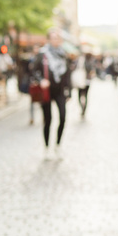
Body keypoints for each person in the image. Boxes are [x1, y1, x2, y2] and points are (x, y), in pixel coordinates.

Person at [32, 29, 70, 159]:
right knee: (48, 120)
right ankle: (47, 147)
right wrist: (41, 80)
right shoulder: (42, 54)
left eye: (57, 38)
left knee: (63, 118)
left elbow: (67, 74)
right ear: (49, 39)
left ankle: (58, 145)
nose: (55, 40)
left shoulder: (63, 54)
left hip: (60, 91)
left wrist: (68, 90)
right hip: (47, 92)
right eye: (53, 38)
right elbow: (33, 70)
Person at [72, 52, 96, 118]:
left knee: (80, 95)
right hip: (87, 81)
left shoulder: (80, 61)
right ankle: (84, 109)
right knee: (85, 96)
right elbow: (92, 72)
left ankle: (82, 108)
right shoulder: (90, 62)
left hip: (81, 81)